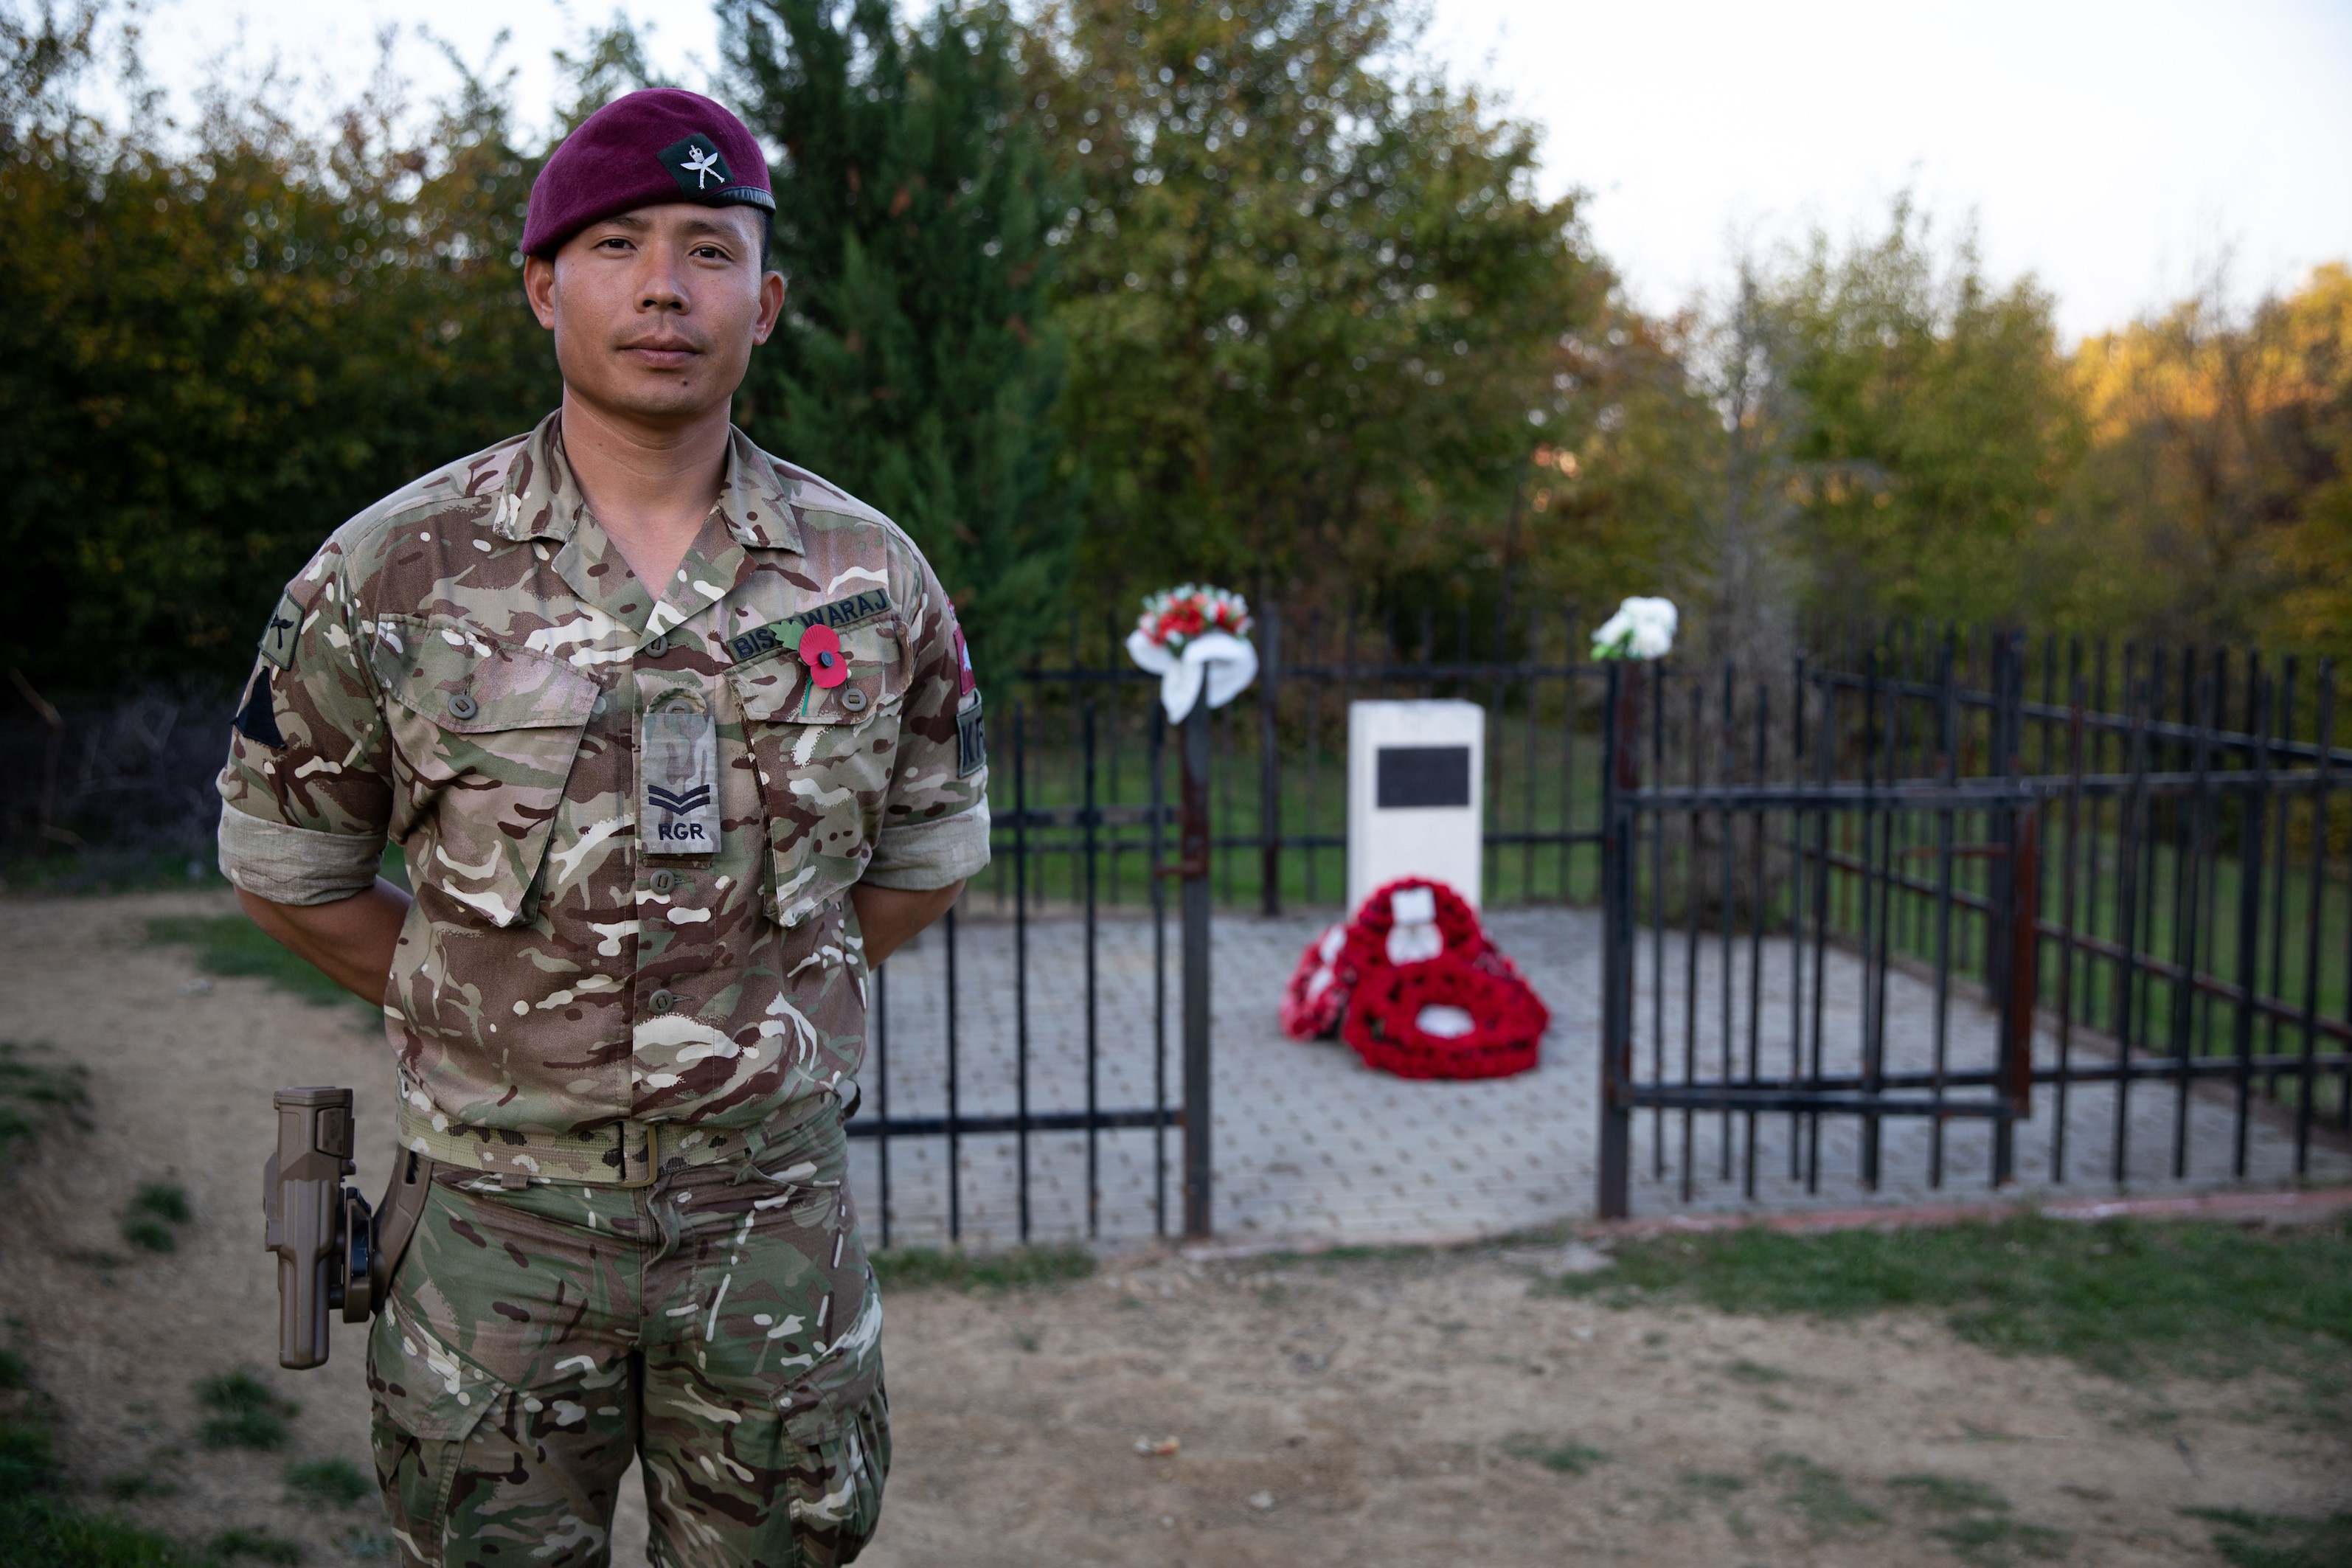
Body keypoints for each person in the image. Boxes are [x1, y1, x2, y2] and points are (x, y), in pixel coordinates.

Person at [214, 88, 988, 1567]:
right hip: (496, 1233)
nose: (661, 285)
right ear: (539, 285)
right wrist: (519, 1020)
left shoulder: (868, 578)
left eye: (709, 248)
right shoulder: (392, 571)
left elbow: (917, 861)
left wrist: (726, 1010)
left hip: (769, 1229)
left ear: (766, 303)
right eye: (616, 241)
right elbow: (293, 874)